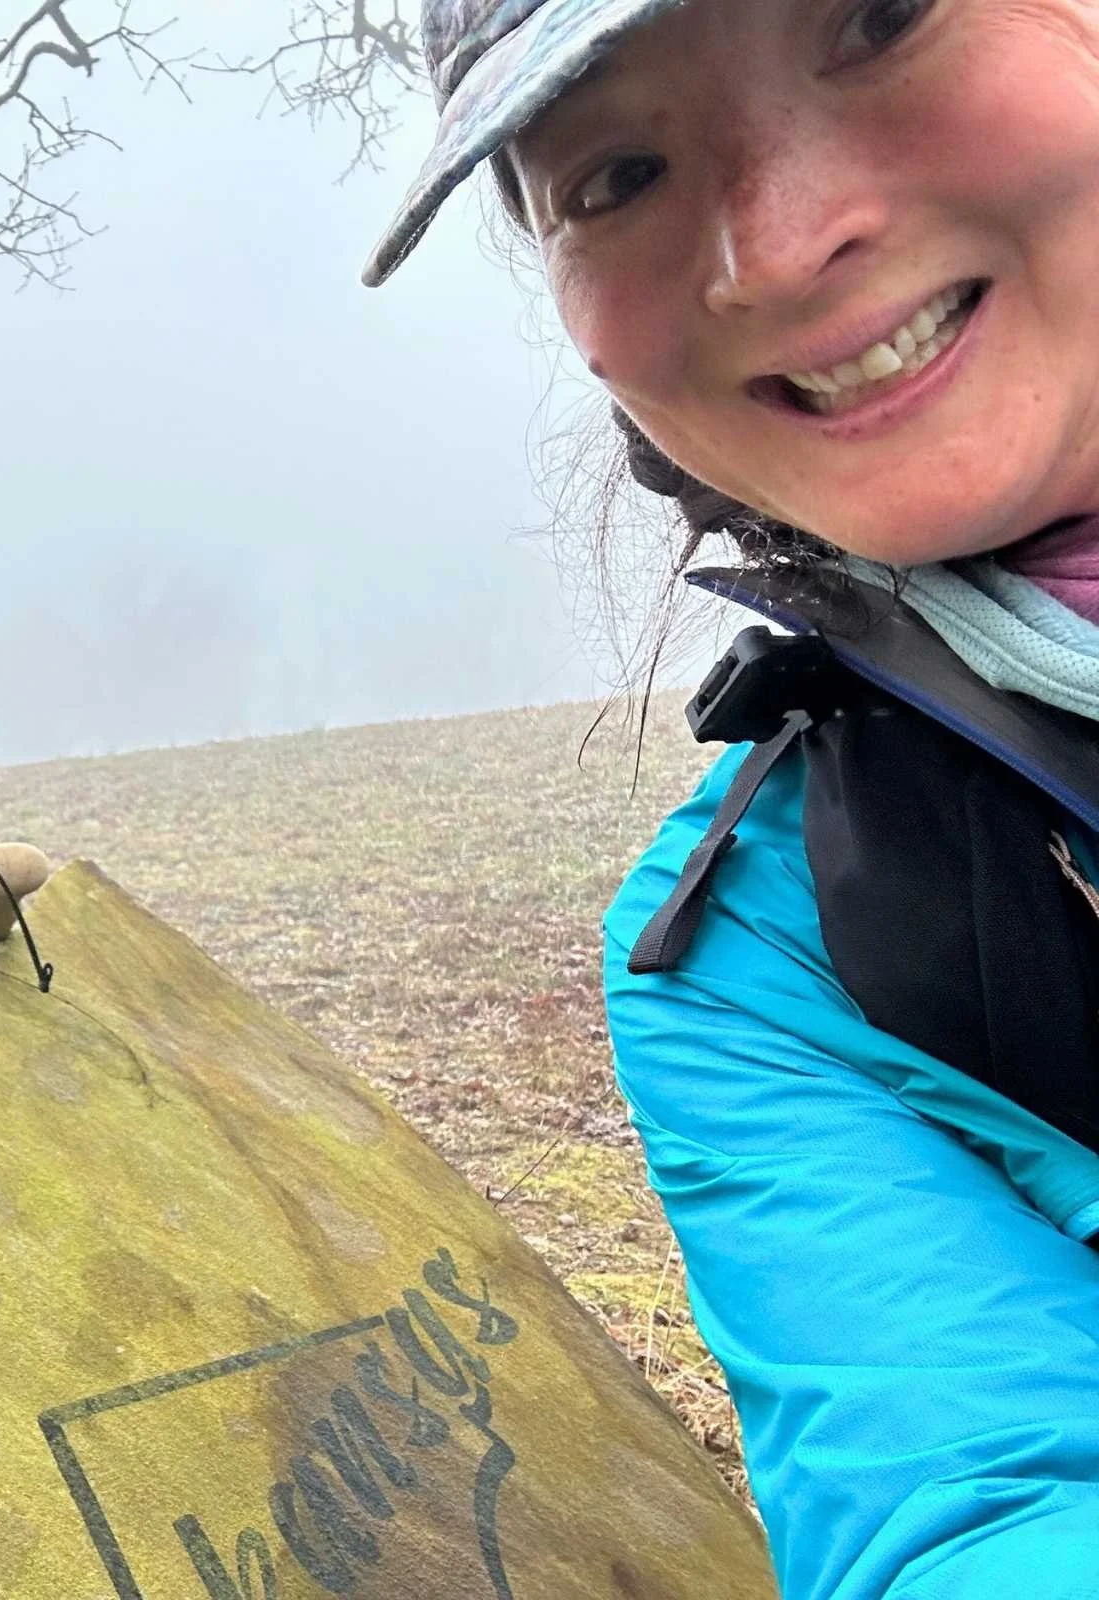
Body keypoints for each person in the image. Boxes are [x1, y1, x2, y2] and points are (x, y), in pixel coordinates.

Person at [363, 0, 1099, 1594]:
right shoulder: (767, 957)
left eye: (881, 16)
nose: (766, 250)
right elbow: (974, 1512)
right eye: (618, 173)